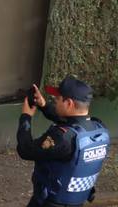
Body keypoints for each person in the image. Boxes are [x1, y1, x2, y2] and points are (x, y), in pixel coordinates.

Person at [17, 76, 110, 207]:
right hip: (77, 201)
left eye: (58, 99)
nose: (54, 101)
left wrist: (25, 117)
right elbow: (72, 124)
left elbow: (25, 150)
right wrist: (43, 105)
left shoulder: (62, 138)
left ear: (69, 103)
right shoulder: (99, 130)